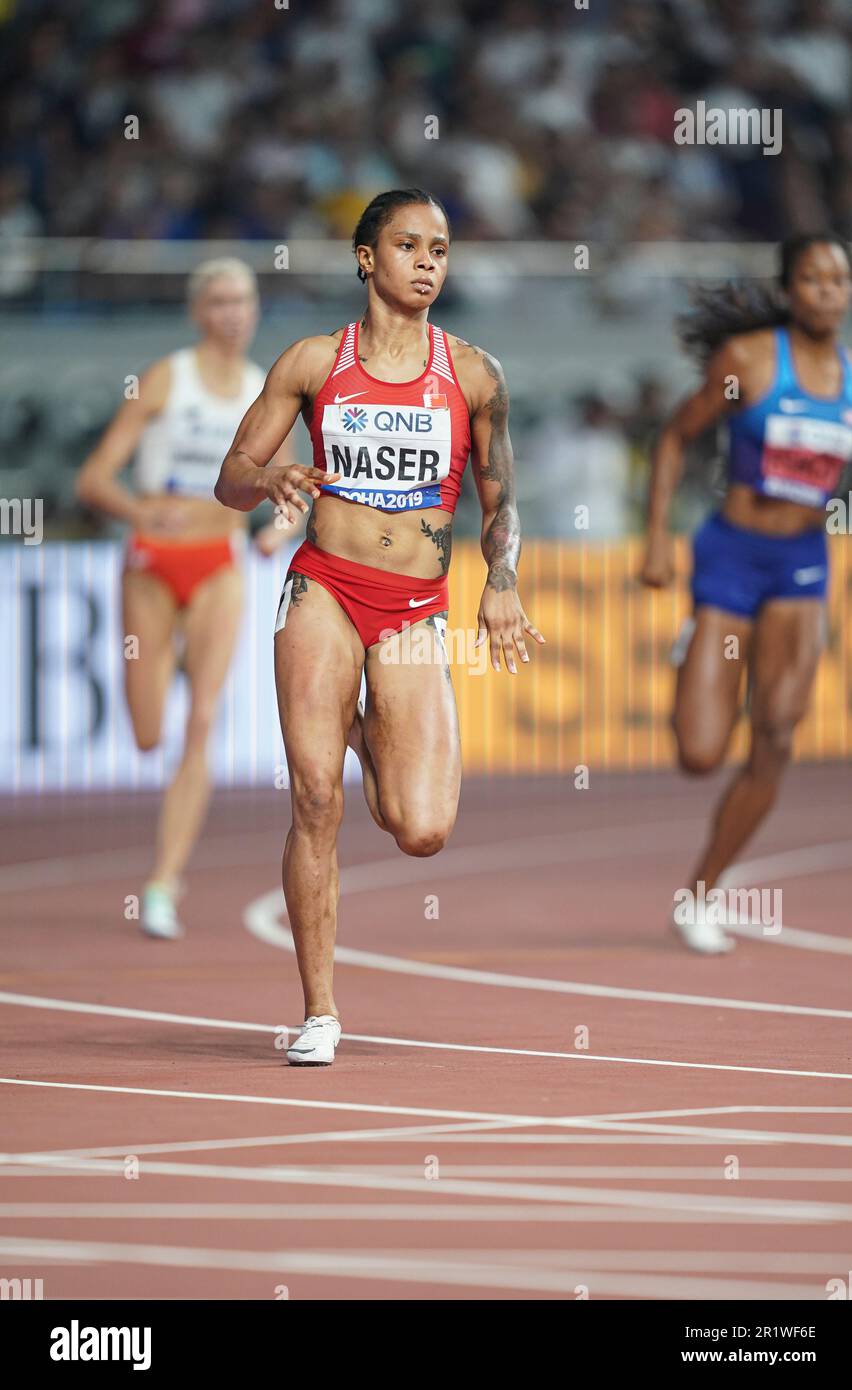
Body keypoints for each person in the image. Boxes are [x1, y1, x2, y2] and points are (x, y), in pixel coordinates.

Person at [215, 188, 543, 1065]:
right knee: (314, 797)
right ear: (368, 258)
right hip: (324, 588)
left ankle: (360, 728)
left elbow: (502, 500)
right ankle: (319, 1011)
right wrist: (272, 476)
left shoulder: (473, 373)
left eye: (441, 248)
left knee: (422, 827)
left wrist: (501, 578)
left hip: (413, 611)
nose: (429, 261)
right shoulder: (314, 362)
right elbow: (230, 476)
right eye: (410, 245)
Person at [641, 233, 852, 953]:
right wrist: (655, 539)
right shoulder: (748, 361)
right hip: (731, 555)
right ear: (791, 289)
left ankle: (702, 893)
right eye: (813, 278)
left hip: (801, 563)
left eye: (840, 280)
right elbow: (675, 438)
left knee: (776, 735)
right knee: (700, 754)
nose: (828, 291)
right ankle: (694, 648)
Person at [76, 258, 296, 939]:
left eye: (243, 299)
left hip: (218, 564)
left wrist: (276, 533)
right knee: (148, 736)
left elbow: (292, 494)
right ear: (199, 310)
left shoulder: (267, 390)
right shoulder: (167, 378)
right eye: (220, 300)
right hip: (151, 564)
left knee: (200, 723)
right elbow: (93, 479)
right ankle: (166, 661)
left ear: (256, 310)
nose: (232, 312)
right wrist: (140, 513)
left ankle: (163, 882)